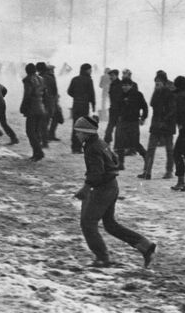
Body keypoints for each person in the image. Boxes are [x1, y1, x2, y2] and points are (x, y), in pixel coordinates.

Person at [72, 116, 156, 268]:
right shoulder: (100, 143)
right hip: (112, 186)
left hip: (102, 189)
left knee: (88, 223)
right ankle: (145, 246)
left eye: (78, 132)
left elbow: (96, 173)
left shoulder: (92, 148)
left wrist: (86, 187)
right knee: (110, 224)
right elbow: (115, 159)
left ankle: (102, 257)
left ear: (86, 133)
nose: (76, 135)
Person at [140, 70, 176, 180]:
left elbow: (172, 110)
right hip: (156, 125)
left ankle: (169, 171)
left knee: (169, 149)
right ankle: (147, 172)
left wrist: (163, 121)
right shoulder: (157, 91)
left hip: (167, 126)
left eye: (158, 83)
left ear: (164, 82)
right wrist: (156, 91)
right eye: (156, 83)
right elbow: (152, 103)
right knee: (151, 148)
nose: (156, 85)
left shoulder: (170, 93)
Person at [114, 72, 148, 171]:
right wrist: (117, 117)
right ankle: (121, 163)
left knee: (134, 143)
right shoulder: (120, 95)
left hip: (133, 122)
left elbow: (145, 107)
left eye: (126, 85)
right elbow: (117, 107)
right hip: (122, 122)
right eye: (123, 85)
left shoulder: (137, 95)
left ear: (131, 85)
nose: (124, 87)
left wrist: (143, 117)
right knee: (120, 142)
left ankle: (146, 156)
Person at [67, 63, 96, 154]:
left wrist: (76, 97)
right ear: (86, 70)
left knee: (75, 125)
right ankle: (78, 147)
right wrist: (93, 104)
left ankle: (74, 147)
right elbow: (92, 93)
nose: (91, 71)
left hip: (76, 105)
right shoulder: (88, 80)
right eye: (90, 70)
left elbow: (69, 91)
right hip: (84, 106)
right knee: (82, 126)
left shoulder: (74, 79)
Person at [20, 62, 47, 161]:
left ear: (27, 71)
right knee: (36, 131)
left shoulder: (28, 80)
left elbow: (27, 94)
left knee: (30, 132)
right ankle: (36, 153)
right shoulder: (41, 79)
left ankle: (38, 152)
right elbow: (45, 93)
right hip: (41, 107)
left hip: (32, 108)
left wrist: (23, 106)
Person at [36, 61, 59, 146]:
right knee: (45, 122)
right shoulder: (51, 77)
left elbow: (39, 91)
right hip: (51, 103)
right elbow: (55, 91)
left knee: (42, 123)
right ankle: (44, 141)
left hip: (44, 103)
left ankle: (44, 141)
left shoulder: (40, 78)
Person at [103, 69, 122, 144]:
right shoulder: (112, 84)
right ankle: (107, 141)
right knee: (110, 127)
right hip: (113, 109)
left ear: (116, 75)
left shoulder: (120, 84)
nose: (110, 77)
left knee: (117, 128)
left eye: (112, 75)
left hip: (118, 110)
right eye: (110, 75)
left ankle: (117, 144)